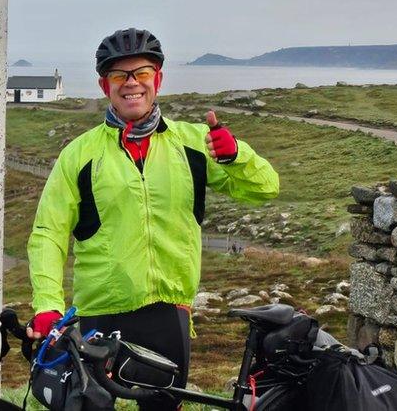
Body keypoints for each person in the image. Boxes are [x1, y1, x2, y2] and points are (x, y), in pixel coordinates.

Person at [25, 28, 279, 410]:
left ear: (157, 80)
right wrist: (48, 303)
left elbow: (265, 188)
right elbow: (48, 233)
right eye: (118, 75)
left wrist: (236, 155)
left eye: (141, 73)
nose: (131, 84)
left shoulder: (194, 143)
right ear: (103, 85)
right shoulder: (78, 155)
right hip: (101, 310)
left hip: (168, 311)